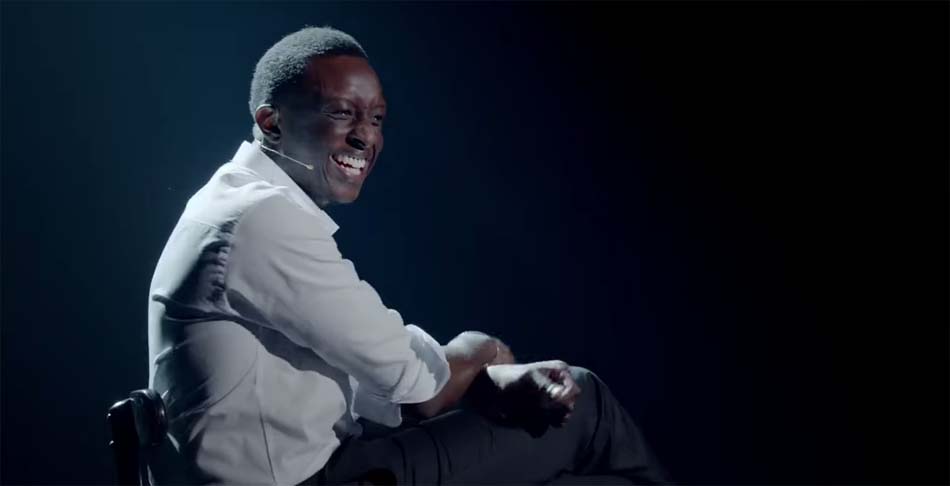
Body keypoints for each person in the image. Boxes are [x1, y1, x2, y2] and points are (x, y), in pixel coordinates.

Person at [147, 25, 670, 485]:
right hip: (314, 479)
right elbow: (416, 386)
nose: (365, 137)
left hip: (320, 465)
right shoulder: (260, 218)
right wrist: (485, 352)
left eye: (376, 118)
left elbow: (373, 382)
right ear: (271, 122)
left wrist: (478, 381)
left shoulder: (234, 204)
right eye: (342, 113)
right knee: (585, 402)